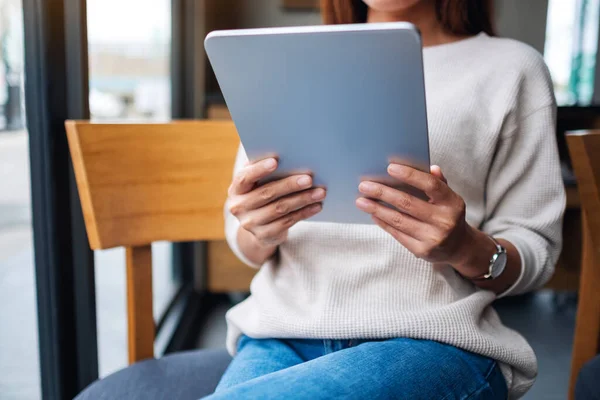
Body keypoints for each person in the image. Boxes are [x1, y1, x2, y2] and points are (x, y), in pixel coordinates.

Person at [204, 0, 565, 398]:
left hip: (434, 340)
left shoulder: (512, 69)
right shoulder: (282, 59)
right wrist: (259, 225)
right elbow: (244, 234)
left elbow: (537, 248)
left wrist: (464, 246)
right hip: (280, 333)